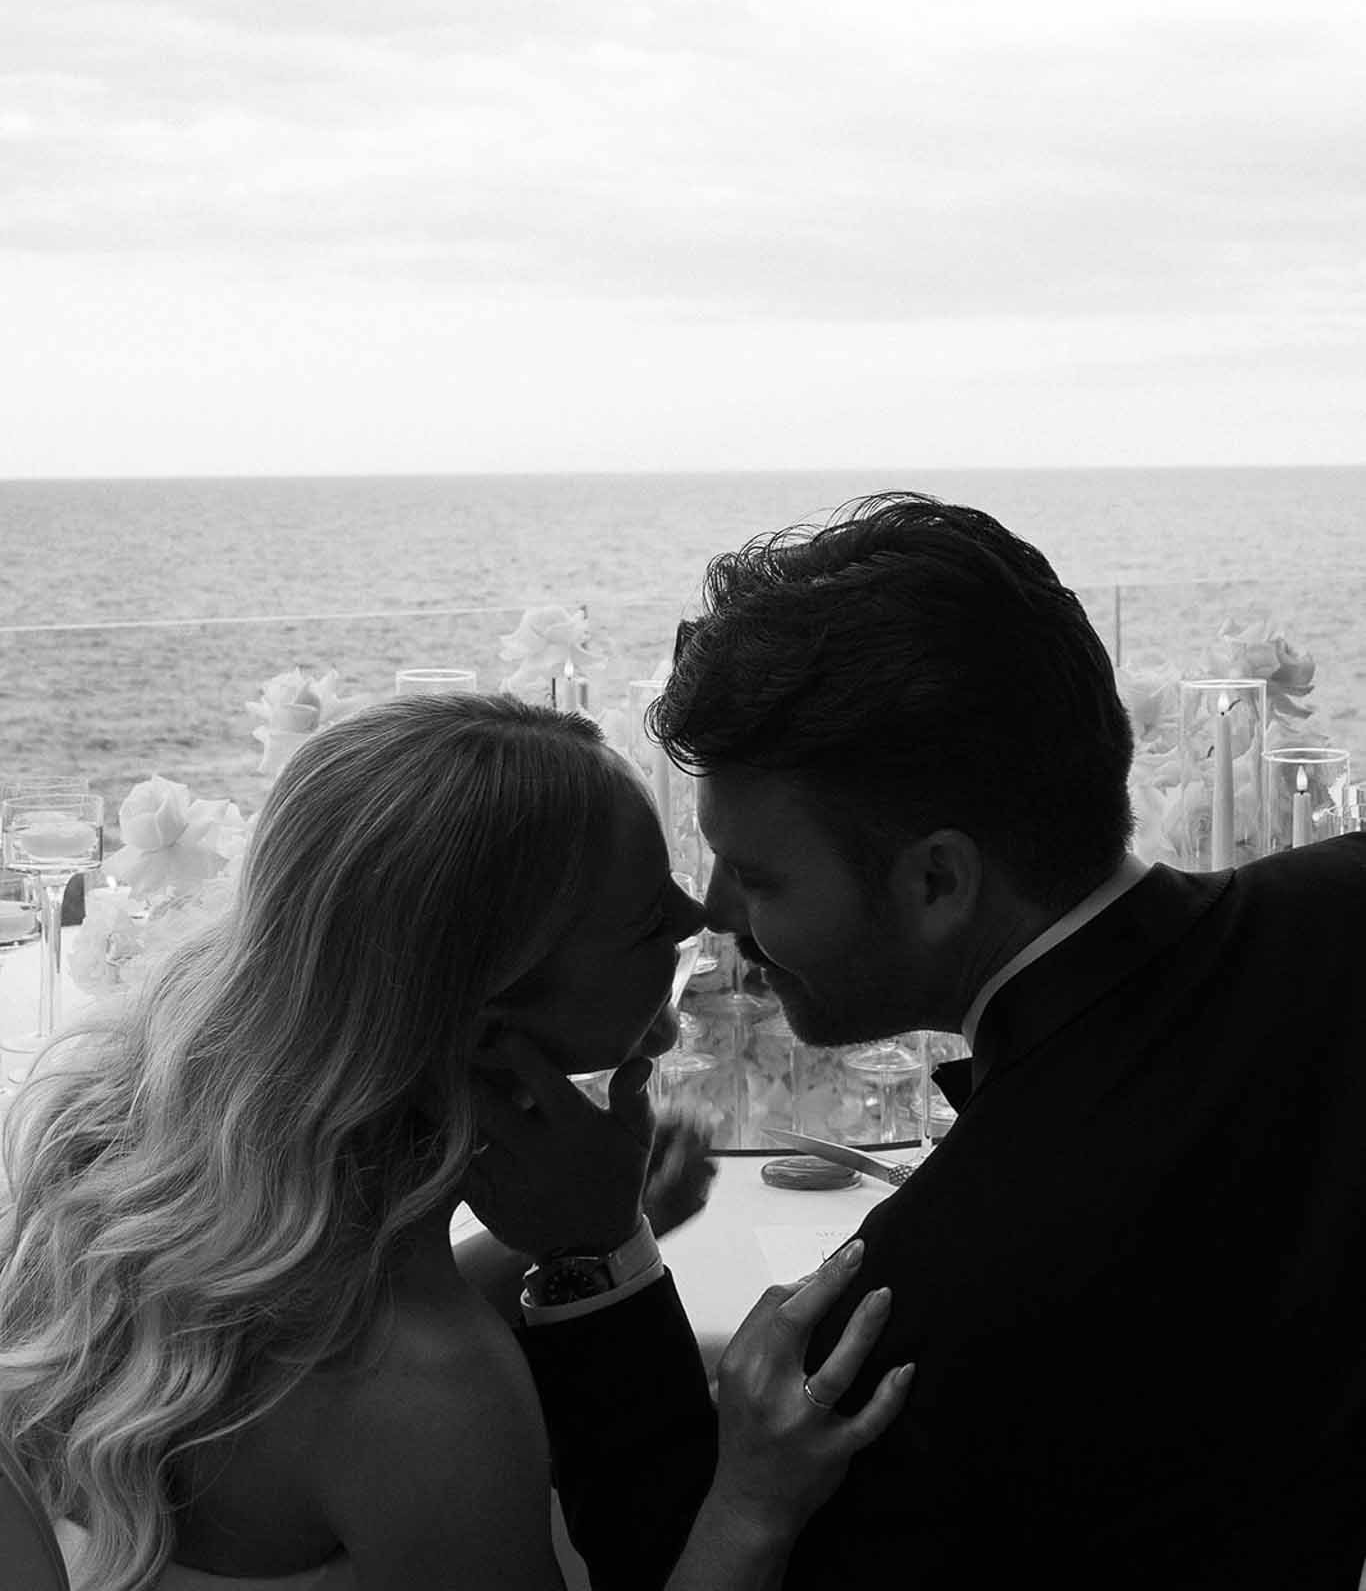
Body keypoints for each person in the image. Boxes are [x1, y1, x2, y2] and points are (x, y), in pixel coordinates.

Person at [478, 494, 1366, 1590]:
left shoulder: (908, 1314)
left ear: (937, 880)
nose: (713, 912)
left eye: (757, 876)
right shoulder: (1341, 915)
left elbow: (675, 1559)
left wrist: (592, 1257)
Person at [0, 694, 913, 1591]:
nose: (697, 919)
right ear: (485, 1026)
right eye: (644, 919)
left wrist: (578, 1242)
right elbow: (388, 1364)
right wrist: (753, 1502)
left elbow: (333, 1326)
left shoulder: (152, 1180)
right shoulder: (434, 1396)